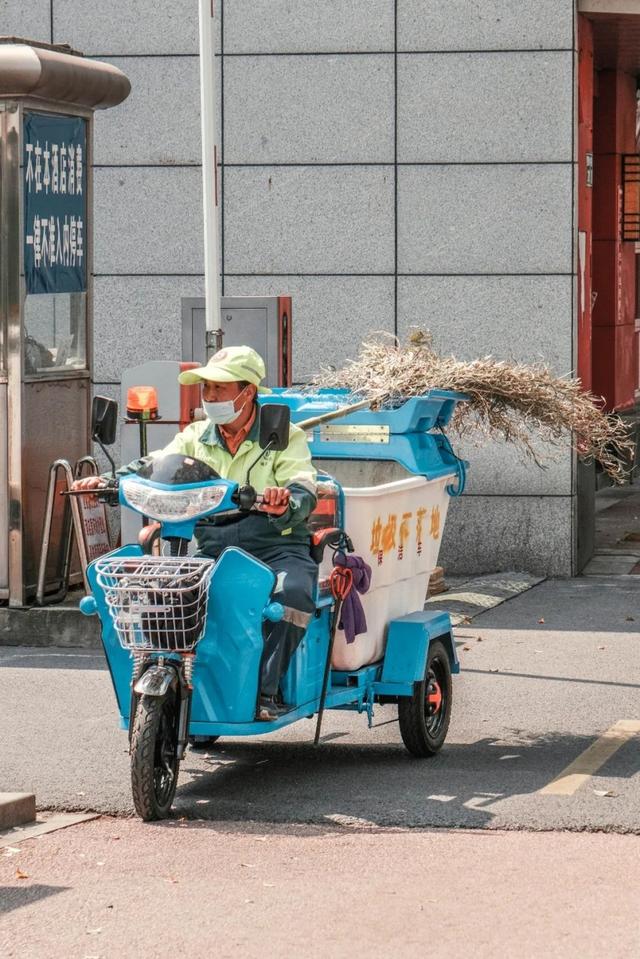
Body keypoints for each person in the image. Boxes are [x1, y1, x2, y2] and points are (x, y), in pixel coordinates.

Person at [73, 346, 318, 721]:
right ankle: (179, 685)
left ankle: (266, 689)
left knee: (294, 595)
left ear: (248, 391)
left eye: (220, 389)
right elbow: (151, 466)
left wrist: (286, 500)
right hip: (212, 545)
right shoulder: (195, 436)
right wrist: (107, 481)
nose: (211, 397)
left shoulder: (284, 436)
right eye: (206, 389)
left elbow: (303, 484)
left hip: (275, 545)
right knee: (164, 600)